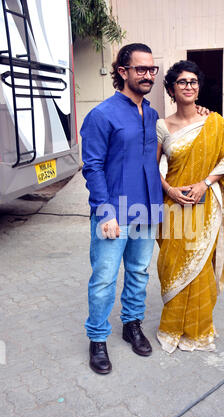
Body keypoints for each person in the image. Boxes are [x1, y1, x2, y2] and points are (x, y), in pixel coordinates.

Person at [80, 43, 164, 374]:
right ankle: (98, 339)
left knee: (139, 273)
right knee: (103, 278)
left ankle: (131, 325)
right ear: (123, 71)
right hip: (115, 212)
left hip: (146, 210)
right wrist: (106, 212)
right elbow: (93, 167)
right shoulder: (101, 115)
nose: (148, 75)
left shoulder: (153, 115)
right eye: (141, 69)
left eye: (152, 69)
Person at [156, 60, 224, 353]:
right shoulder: (161, 125)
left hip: (205, 204)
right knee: (173, 264)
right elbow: (149, 165)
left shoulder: (214, 122)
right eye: (182, 82)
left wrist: (205, 183)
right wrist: (169, 189)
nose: (189, 86)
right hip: (173, 204)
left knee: (201, 267)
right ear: (171, 88)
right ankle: (172, 327)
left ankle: (198, 328)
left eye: (193, 81)